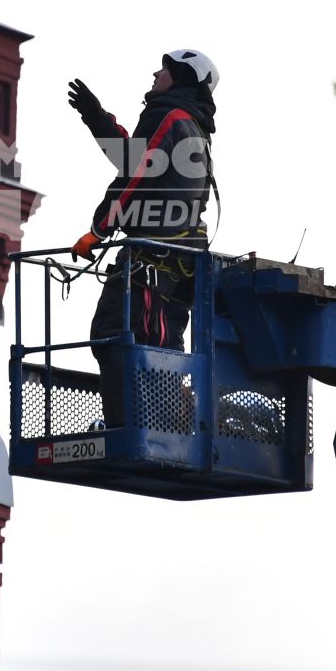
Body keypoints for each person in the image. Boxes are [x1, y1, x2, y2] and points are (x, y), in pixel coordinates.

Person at [66, 49, 219, 428]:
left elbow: (133, 175)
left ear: (182, 78)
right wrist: (96, 117)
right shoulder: (185, 123)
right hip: (171, 266)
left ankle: (137, 424)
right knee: (155, 344)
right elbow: (135, 158)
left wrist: (98, 230)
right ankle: (160, 422)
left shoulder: (170, 118)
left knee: (120, 336)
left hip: (153, 266)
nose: (156, 73)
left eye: (165, 69)